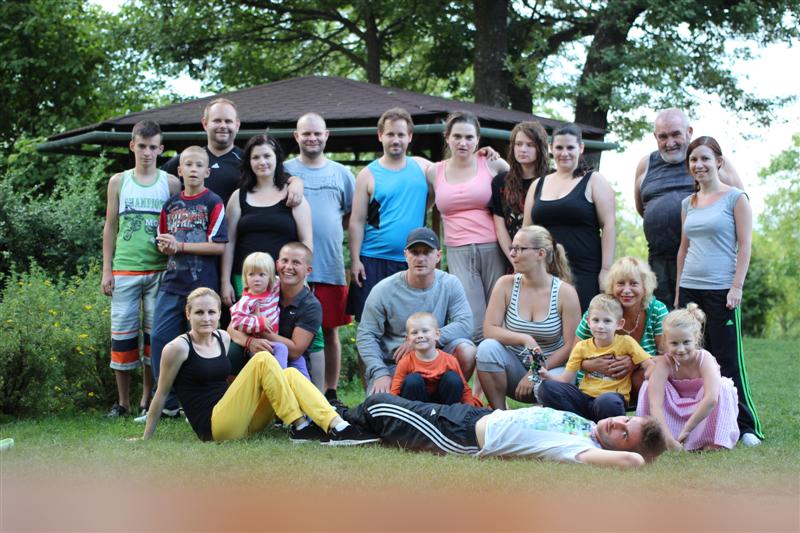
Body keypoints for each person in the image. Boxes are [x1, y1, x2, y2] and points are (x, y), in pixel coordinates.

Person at [137, 287, 379, 446]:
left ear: (220, 314)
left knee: (290, 373)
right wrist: (145, 437)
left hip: (244, 421)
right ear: (188, 313)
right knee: (263, 360)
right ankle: (299, 425)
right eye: (199, 312)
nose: (206, 318)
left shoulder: (222, 337)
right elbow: (161, 394)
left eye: (211, 312)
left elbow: (236, 339)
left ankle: (338, 426)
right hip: (214, 428)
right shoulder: (177, 348)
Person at [676, 136, 762, 446]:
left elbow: (745, 245)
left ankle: (747, 427)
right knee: (695, 358)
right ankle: (707, 424)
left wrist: (736, 287)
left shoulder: (736, 198)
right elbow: (683, 250)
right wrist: (678, 295)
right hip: (690, 290)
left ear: (718, 162)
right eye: (693, 160)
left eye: (705, 158)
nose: (699, 165)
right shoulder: (688, 203)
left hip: (722, 291)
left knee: (728, 361)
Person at [345, 394, 667, 468]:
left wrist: (642, 453)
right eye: (626, 420)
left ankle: (337, 425)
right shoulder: (589, 428)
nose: (618, 423)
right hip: (476, 415)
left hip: (459, 436)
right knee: (389, 413)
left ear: (621, 448)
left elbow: (634, 461)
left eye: (625, 434)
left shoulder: (582, 450)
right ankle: (343, 424)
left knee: (378, 406)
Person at [101, 120, 181, 418]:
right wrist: (106, 270)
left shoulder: (170, 183)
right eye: (142, 146)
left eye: (153, 147)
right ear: (132, 145)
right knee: (122, 335)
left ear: (161, 149)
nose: (147, 152)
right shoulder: (118, 181)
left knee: (153, 337)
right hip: (125, 269)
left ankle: (147, 398)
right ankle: (122, 402)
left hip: (159, 270)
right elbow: (110, 226)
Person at [146, 146, 228, 418]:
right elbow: (162, 241)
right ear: (179, 170)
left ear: (207, 172)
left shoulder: (214, 202)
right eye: (188, 165)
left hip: (202, 286)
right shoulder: (170, 205)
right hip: (172, 282)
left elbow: (218, 246)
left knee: (202, 341)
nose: (193, 169)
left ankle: (201, 400)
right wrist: (165, 246)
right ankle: (167, 403)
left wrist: (179, 246)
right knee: (160, 337)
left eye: (199, 165)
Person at [634, 108, 743, 309]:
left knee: (703, 325)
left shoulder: (710, 161)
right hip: (659, 265)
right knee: (664, 323)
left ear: (689, 132)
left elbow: (740, 210)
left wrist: (736, 279)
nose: (670, 142)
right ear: (655, 137)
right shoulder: (646, 165)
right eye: (663, 136)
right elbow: (642, 209)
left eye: (676, 134)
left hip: (705, 267)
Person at [284, 112, 356, 403]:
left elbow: (353, 216)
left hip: (329, 266)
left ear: (326, 135)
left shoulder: (342, 173)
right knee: (289, 332)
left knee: (330, 331)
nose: (312, 138)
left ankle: (330, 392)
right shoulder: (284, 170)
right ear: (296, 136)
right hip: (292, 270)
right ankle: (295, 392)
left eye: (317, 133)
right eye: (306, 133)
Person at [357, 227, 475, 395]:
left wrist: (422, 341)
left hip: (435, 358)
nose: (420, 258)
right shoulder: (383, 289)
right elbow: (366, 334)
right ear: (406, 255)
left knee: (467, 351)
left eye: (427, 252)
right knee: (380, 406)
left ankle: (446, 397)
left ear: (438, 256)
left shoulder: (450, 283)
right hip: (394, 364)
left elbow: (465, 324)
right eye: (414, 252)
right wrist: (379, 372)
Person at [476, 225, 581, 409]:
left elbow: (571, 346)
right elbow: (489, 329)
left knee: (555, 385)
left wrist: (535, 370)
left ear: (540, 254)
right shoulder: (505, 284)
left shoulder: (566, 293)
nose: (512, 254)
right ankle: (499, 414)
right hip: (514, 369)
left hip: (551, 370)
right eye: (512, 248)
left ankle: (542, 416)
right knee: (487, 348)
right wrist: (525, 339)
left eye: (519, 249)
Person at [426, 111, 510, 341]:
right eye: (457, 136)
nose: (463, 142)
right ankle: (477, 364)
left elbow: (520, 187)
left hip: (493, 247)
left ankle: (498, 363)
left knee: (499, 314)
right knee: (472, 320)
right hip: (458, 251)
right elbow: (424, 202)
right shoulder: (434, 171)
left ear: (477, 139)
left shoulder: (492, 163)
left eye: (469, 137)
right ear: (447, 138)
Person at [347, 108, 431, 322]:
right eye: (390, 134)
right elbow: (356, 221)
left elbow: (453, 170)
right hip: (373, 259)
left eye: (401, 134)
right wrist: (355, 260)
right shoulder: (367, 174)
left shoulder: (422, 166)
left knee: (412, 324)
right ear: (380, 135)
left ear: (409, 136)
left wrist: (482, 154)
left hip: (411, 260)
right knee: (370, 324)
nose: (396, 140)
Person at [523, 124, 616, 312]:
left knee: (583, 326)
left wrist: (606, 270)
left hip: (584, 272)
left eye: (570, 147)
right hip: (544, 272)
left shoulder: (594, 180)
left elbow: (609, 225)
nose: (564, 153)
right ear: (551, 148)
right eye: (559, 147)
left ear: (581, 148)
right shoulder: (537, 184)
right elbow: (526, 231)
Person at [220, 134, 312, 308]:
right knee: (249, 324)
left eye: (267, 156)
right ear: (249, 162)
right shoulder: (238, 196)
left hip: (284, 279)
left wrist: (303, 278)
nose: (262, 162)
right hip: (245, 280)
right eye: (256, 157)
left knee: (280, 325)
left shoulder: (293, 194)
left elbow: (306, 241)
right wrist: (225, 281)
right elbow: (229, 243)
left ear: (277, 158)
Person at [637, 304, 740, 451]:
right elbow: (655, 406)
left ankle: (711, 440)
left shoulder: (705, 359)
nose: (680, 349)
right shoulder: (665, 363)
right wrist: (669, 441)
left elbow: (711, 399)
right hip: (674, 409)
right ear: (665, 341)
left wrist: (687, 429)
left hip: (701, 412)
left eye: (686, 342)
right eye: (674, 343)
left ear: (696, 338)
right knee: (648, 385)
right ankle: (662, 439)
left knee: (723, 386)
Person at [538, 294, 654, 422]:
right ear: (588, 322)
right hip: (584, 398)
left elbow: (649, 365)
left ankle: (597, 425)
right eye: (596, 320)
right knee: (546, 388)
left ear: (619, 324)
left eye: (607, 321)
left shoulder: (626, 342)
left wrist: (649, 382)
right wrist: (547, 375)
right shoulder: (581, 347)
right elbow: (565, 379)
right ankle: (580, 422)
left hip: (610, 399)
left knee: (609, 401)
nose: (600, 326)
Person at [574, 256, 668, 402]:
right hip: (596, 382)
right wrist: (588, 365)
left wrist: (636, 361)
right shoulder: (597, 312)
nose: (626, 290)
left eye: (634, 283)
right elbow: (575, 354)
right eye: (620, 283)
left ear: (645, 287)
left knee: (643, 375)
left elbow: (669, 356)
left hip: (639, 383)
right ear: (612, 287)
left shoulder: (657, 310)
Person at [227, 243, 323, 383]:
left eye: (296, 262)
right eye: (284, 261)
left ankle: (281, 384)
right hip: (258, 351)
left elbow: (295, 351)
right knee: (232, 352)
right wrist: (250, 341)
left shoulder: (310, 305)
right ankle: (230, 392)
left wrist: (261, 329)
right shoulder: (265, 287)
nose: (288, 267)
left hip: (290, 364)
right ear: (277, 265)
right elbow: (232, 327)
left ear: (308, 270)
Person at [490, 121, 550, 266]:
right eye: (519, 144)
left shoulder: (552, 179)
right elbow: (499, 226)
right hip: (512, 257)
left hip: (546, 256)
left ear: (540, 148)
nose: (523, 149)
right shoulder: (500, 182)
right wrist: (515, 259)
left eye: (530, 145)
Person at [390, 312, 482, 406]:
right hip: (417, 407)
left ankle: (450, 413)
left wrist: (470, 408)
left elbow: (464, 389)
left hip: (444, 405)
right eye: (414, 333)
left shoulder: (449, 360)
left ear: (437, 334)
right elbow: (395, 390)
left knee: (453, 379)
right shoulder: (405, 362)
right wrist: (392, 410)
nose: (420, 335)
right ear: (407, 339)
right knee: (413, 381)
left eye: (425, 331)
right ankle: (414, 415)